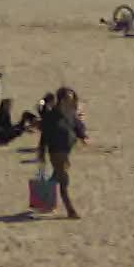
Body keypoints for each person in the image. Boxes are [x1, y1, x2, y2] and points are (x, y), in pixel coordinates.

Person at [36, 88, 85, 219]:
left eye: (72, 98)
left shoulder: (69, 113)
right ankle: (71, 211)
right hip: (56, 152)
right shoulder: (51, 116)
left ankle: (42, 199)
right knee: (64, 180)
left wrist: (83, 136)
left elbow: (77, 125)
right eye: (69, 98)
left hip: (66, 151)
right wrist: (41, 152)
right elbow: (44, 135)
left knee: (57, 176)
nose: (72, 100)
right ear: (62, 99)